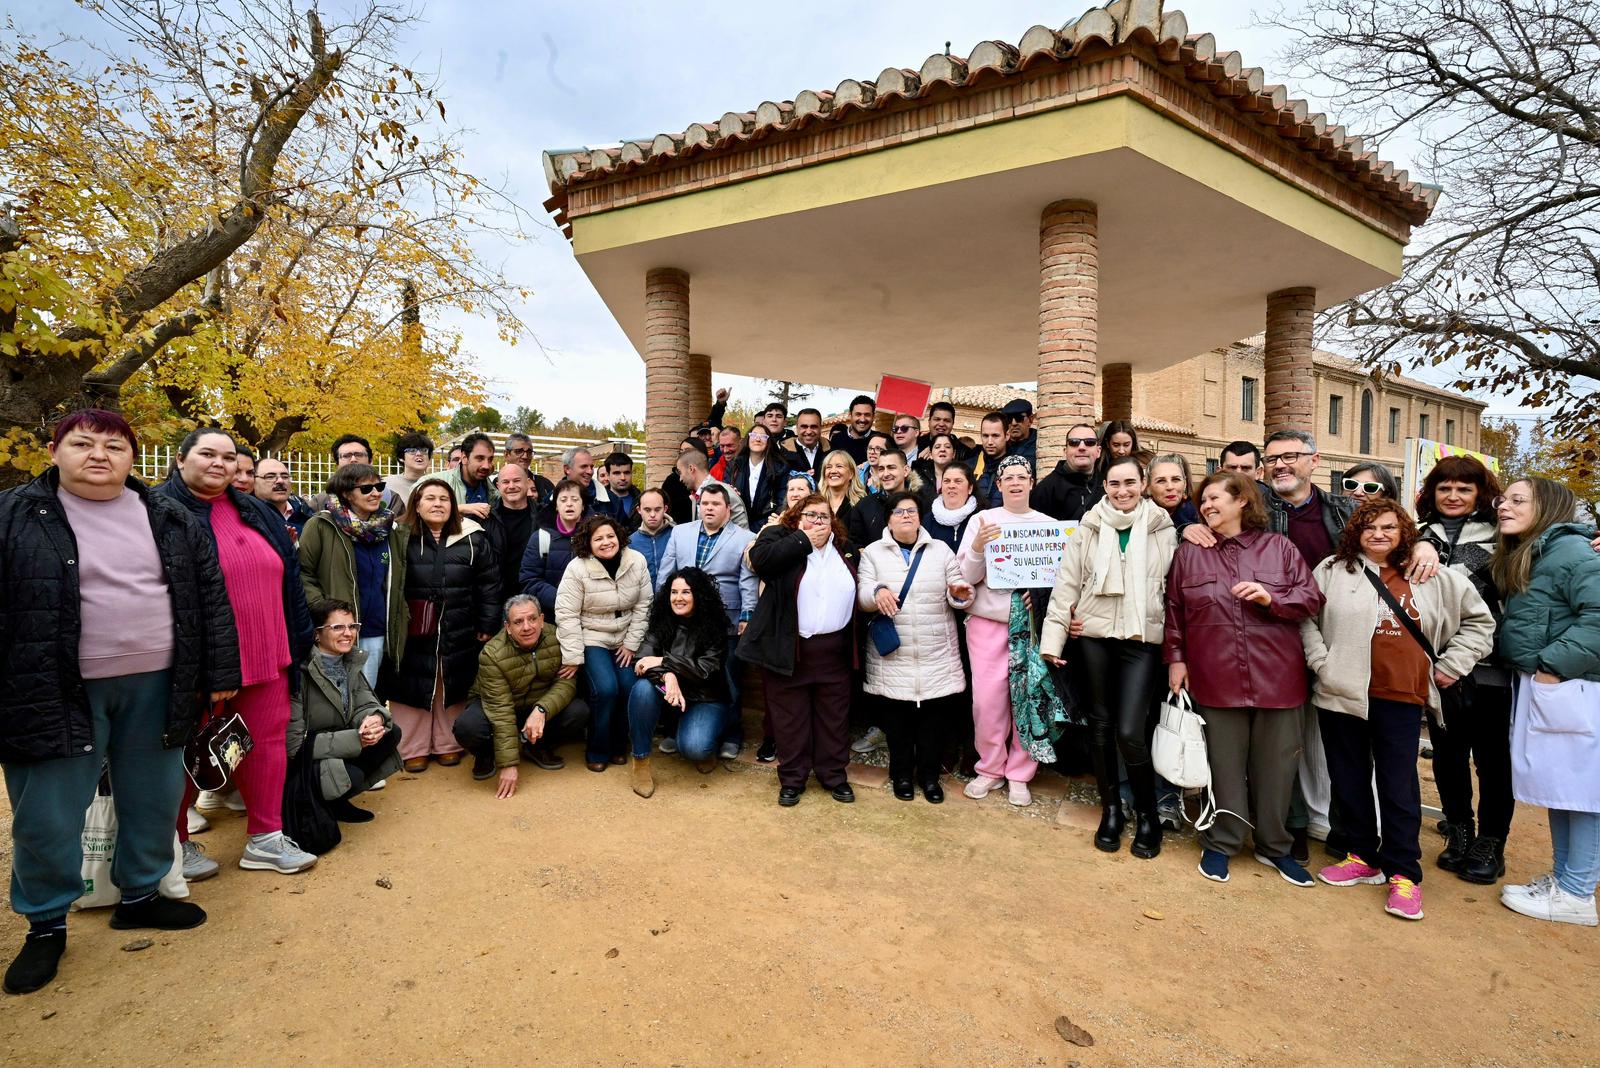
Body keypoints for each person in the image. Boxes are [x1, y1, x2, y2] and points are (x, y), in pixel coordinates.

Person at [0, 410, 241, 997]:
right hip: (52, 689)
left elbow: (209, 596)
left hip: (158, 683)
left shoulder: (168, 515)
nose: (98, 455)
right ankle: (46, 924)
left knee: (154, 800)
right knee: (48, 815)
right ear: (54, 450)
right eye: (82, 444)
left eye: (114, 445)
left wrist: (220, 672)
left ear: (135, 456)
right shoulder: (14, 514)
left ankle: (139, 895)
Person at [1182, 429, 1440, 861]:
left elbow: (1389, 533)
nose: (1282, 465)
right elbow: (1179, 605)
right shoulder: (1219, 534)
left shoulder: (1341, 510)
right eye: (1274, 458)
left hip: (1334, 651)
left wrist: (1427, 543)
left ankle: (1323, 835)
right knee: (1312, 752)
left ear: (1313, 460)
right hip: (1275, 651)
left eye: (1291, 456)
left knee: (1312, 753)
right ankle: (1300, 830)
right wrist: (1194, 526)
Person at [1302, 498, 1494, 921]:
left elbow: (1480, 623)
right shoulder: (1334, 570)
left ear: (1404, 531)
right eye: (1369, 527)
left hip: (1401, 695)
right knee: (1348, 779)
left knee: (1398, 786)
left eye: (1389, 527)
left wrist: (1450, 666)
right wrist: (1321, 663)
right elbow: (1306, 620)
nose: (1378, 535)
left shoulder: (1431, 575)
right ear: (1356, 531)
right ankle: (1362, 855)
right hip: (1342, 692)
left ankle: (1403, 873)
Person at [154, 429, 316, 878]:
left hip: (269, 651)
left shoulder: (252, 510)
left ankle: (265, 838)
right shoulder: (159, 512)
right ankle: (176, 844)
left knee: (265, 745)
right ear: (181, 458)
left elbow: (289, 580)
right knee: (191, 751)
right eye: (207, 453)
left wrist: (298, 641)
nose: (219, 464)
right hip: (202, 662)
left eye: (228, 456)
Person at [1164, 473, 1323, 885]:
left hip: (1278, 676)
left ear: (1242, 502)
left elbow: (1311, 598)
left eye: (1215, 498)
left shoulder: (1279, 548)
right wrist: (1176, 659)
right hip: (1214, 674)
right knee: (1224, 766)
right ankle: (1221, 843)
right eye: (1203, 502)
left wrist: (1273, 599)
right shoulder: (1189, 553)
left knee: (1276, 769)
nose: (1207, 507)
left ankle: (1275, 847)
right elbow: (1175, 611)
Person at [1041, 456, 1177, 856]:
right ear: (1104, 486)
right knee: (1099, 726)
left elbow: (1175, 589)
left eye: (1130, 482)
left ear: (1144, 484)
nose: (1123, 491)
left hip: (1141, 639)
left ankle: (1148, 815)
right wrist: (1053, 639)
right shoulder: (1089, 527)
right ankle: (1111, 811)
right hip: (1095, 635)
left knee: (1131, 731)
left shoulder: (1163, 529)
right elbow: (1067, 584)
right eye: (1115, 484)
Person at [1494, 478, 1600, 926]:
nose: (1503, 506)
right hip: (1552, 685)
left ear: (1550, 508)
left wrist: (1552, 667)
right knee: (1562, 788)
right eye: (1503, 498)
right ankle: (1564, 879)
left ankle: (1577, 892)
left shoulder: (1573, 554)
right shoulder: (1537, 552)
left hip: (1573, 687)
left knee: (1585, 793)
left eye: (1518, 500)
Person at [1416, 456, 1515, 883]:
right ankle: (1459, 830)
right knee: (1449, 756)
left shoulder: (1505, 535)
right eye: (1444, 488)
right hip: (1436, 668)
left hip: (1489, 666)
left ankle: (1491, 841)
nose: (1453, 496)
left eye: (1464, 489)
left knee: (1493, 761)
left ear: (1480, 493)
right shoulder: (1418, 537)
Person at [740, 493, 860, 806]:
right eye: (811, 515)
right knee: (790, 720)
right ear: (796, 517)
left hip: (834, 651)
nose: (818, 521)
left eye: (824, 516)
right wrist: (803, 540)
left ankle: (833, 775)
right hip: (789, 650)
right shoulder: (781, 538)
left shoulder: (842, 548)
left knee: (833, 719)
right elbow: (760, 562)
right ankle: (792, 778)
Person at [857, 491, 974, 803]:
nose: (905, 516)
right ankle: (901, 775)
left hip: (935, 653)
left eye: (910, 510)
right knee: (898, 726)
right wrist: (877, 591)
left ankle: (929, 777)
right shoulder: (872, 553)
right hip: (895, 655)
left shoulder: (942, 551)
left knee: (932, 725)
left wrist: (960, 594)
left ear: (920, 517)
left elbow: (957, 590)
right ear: (888, 520)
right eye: (898, 512)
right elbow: (863, 593)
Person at [956, 455, 1059, 806]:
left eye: (1022, 476)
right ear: (998, 485)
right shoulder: (982, 521)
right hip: (989, 622)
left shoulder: (1047, 524)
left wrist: (1040, 596)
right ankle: (989, 767)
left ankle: (1020, 772)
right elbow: (964, 578)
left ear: (1031, 482)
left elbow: (1059, 579)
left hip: (1029, 626)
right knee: (987, 701)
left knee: (1028, 698)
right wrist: (977, 546)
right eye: (1008, 477)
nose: (1015, 482)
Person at [380, 477, 501, 773]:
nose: (437, 504)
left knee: (452, 680)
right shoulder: (399, 537)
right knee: (412, 682)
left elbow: (489, 585)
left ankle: (449, 744)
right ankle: (412, 747)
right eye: (430, 498)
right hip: (412, 627)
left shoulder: (473, 538)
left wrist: (487, 622)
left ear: (453, 506)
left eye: (444, 499)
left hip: (459, 624)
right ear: (417, 506)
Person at [654, 484, 757, 758]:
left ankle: (732, 735)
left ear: (727, 508)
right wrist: (661, 610)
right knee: (680, 673)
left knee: (730, 679)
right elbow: (666, 573)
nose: (709, 508)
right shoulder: (680, 532)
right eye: (705, 503)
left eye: (715, 504)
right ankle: (677, 729)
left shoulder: (745, 537)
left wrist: (747, 616)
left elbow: (748, 581)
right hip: (684, 622)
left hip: (727, 621)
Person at [453, 595, 586, 791]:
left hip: (536, 705)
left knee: (579, 711)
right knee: (467, 727)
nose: (527, 627)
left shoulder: (558, 637)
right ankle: (487, 752)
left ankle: (536, 746)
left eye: (532, 619)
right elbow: (500, 710)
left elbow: (566, 683)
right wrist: (508, 765)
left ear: (541, 619)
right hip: (496, 707)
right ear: (507, 627)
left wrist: (542, 709)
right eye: (518, 622)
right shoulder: (492, 654)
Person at [286, 600, 402, 823]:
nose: (348, 633)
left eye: (352, 626)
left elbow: (365, 702)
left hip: (336, 743)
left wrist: (373, 719)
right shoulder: (300, 671)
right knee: (353, 774)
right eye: (338, 627)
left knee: (390, 733)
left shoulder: (348, 661)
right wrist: (356, 739)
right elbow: (293, 746)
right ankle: (321, 803)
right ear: (316, 634)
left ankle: (336, 803)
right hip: (303, 761)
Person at [297, 463, 408, 689]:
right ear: (347, 493)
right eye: (366, 489)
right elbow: (303, 572)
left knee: (366, 699)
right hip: (335, 630)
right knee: (335, 698)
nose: (376, 493)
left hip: (375, 629)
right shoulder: (321, 524)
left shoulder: (389, 529)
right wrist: (324, 610)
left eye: (379, 486)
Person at [626, 567, 736, 796]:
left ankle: (706, 739)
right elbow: (641, 663)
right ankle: (641, 762)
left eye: (686, 592)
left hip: (706, 699)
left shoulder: (715, 626)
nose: (678, 598)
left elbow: (705, 671)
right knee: (642, 689)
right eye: (674, 592)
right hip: (671, 695)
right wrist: (668, 675)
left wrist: (664, 661)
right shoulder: (661, 621)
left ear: (699, 594)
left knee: (695, 749)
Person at [555, 515, 652, 772]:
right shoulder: (577, 568)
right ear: (588, 543)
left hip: (625, 637)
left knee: (628, 686)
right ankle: (597, 748)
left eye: (610, 536)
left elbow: (644, 605)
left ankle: (619, 745)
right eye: (598, 539)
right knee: (606, 689)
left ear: (619, 537)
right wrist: (574, 657)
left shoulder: (636, 561)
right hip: (592, 636)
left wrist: (632, 644)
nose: (606, 542)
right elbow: (566, 613)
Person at [521, 477, 587, 617]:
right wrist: (562, 599)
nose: (569, 504)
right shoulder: (541, 538)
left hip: (589, 615)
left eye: (575, 500)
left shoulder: (596, 536)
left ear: (583, 505)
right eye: (563, 500)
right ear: (556, 506)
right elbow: (530, 580)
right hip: (552, 615)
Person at [848, 448, 922, 548]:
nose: (886, 474)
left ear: (906, 471)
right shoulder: (864, 506)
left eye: (891, 467)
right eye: (881, 469)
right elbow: (854, 545)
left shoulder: (922, 503)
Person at [485, 463, 537, 604]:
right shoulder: (486, 519)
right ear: (498, 486)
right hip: (499, 598)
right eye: (506, 482)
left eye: (517, 480)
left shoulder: (544, 516)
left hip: (534, 597)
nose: (511, 486)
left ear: (527, 483)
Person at [1032, 422, 1101, 522]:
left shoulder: (1108, 485)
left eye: (1089, 442)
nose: (1081, 447)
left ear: (1098, 451)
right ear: (1065, 451)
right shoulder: (1046, 489)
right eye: (1074, 442)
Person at [674, 446, 750, 529]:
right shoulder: (696, 496)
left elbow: (743, 533)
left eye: (680, 472)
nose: (680, 479)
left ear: (691, 469)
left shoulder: (725, 493)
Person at [727, 425, 787, 528]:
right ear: (748, 439)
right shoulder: (734, 466)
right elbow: (725, 496)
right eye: (754, 435)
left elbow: (782, 501)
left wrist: (764, 527)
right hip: (736, 525)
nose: (758, 439)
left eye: (763, 436)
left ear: (768, 441)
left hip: (767, 526)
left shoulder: (780, 468)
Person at [253, 456, 314, 541]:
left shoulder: (307, 515)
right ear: (253, 481)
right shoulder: (248, 517)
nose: (280, 481)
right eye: (270, 476)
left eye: (285, 476)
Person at [923, 462, 978, 553]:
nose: (951, 486)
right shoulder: (927, 521)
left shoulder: (981, 518)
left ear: (970, 488)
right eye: (946, 481)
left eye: (958, 481)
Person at [443, 432, 498, 521]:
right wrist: (460, 508)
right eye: (480, 458)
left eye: (490, 459)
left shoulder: (494, 493)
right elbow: (416, 509)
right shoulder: (437, 482)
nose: (486, 466)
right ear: (464, 458)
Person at [629, 488, 675, 586]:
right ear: (639, 510)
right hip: (643, 599)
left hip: (672, 598)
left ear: (665, 509)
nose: (653, 515)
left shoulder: (677, 536)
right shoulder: (630, 543)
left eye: (657, 509)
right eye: (647, 510)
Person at [1148, 453, 1200, 531]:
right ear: (1148, 486)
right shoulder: (1138, 515)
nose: (1170, 487)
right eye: (1161, 481)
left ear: (1185, 483)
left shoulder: (1202, 514)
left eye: (1176, 479)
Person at [970, 412, 1009, 508]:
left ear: (1007, 435)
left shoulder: (1017, 468)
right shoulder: (968, 467)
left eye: (995, 436)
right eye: (985, 436)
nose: (990, 442)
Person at [661, 439, 705, 523]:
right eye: (681, 451)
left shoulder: (710, 480)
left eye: (687, 451)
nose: (683, 455)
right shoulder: (672, 481)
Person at [385, 431, 435, 506]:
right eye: (412, 451)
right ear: (401, 457)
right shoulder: (387, 484)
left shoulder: (437, 484)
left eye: (424, 450)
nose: (419, 454)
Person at [819, 450, 865, 531]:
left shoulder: (862, 505)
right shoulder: (815, 503)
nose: (833, 471)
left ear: (851, 473)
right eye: (829, 467)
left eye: (839, 466)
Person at [595, 451, 641, 530]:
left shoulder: (642, 500)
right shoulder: (597, 502)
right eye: (617, 473)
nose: (623, 477)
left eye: (627, 473)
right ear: (608, 475)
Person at [829, 394, 877, 465]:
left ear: (873, 416)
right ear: (850, 415)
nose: (862, 419)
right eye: (858, 414)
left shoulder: (881, 439)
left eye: (867, 415)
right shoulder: (836, 440)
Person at [782, 408, 827, 480]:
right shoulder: (781, 453)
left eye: (813, 427)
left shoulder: (832, 451)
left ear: (820, 428)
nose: (809, 431)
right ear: (796, 427)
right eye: (804, 427)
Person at [1000, 398, 1037, 469]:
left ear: (1031, 419)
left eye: (1019, 418)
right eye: (1009, 419)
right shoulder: (1000, 444)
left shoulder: (1040, 444)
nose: (1014, 423)